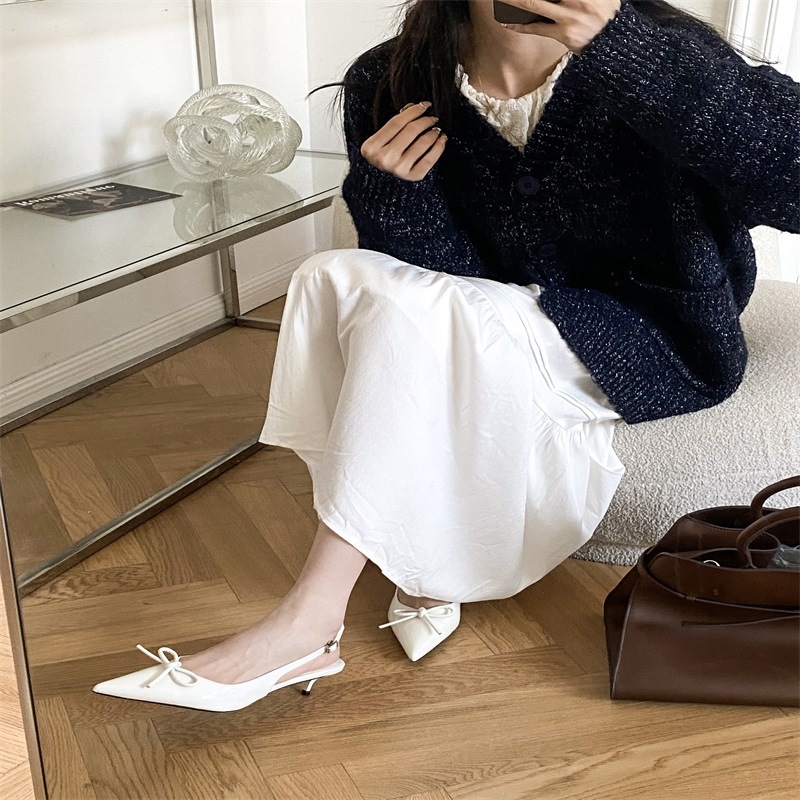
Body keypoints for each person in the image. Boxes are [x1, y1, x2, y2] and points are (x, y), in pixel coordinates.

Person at [93, 0, 800, 713]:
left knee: (412, 309)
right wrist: (392, 194)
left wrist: (625, 52)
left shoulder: (666, 51)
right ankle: (380, 584)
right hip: (478, 320)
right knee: (333, 276)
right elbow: (436, 279)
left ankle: (314, 615)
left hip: (652, 335)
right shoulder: (393, 78)